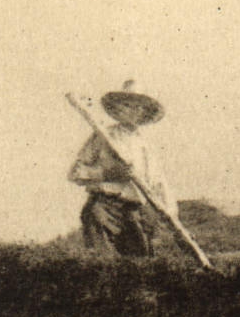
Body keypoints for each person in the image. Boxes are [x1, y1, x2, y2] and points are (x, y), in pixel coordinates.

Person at [68, 83, 177, 257]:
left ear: (144, 113)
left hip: (134, 212)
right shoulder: (104, 136)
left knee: (140, 265)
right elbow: (75, 173)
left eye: (138, 107)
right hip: (103, 208)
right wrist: (108, 174)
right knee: (102, 264)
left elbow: (159, 184)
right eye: (127, 105)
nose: (133, 110)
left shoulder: (146, 147)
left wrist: (172, 216)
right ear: (117, 109)